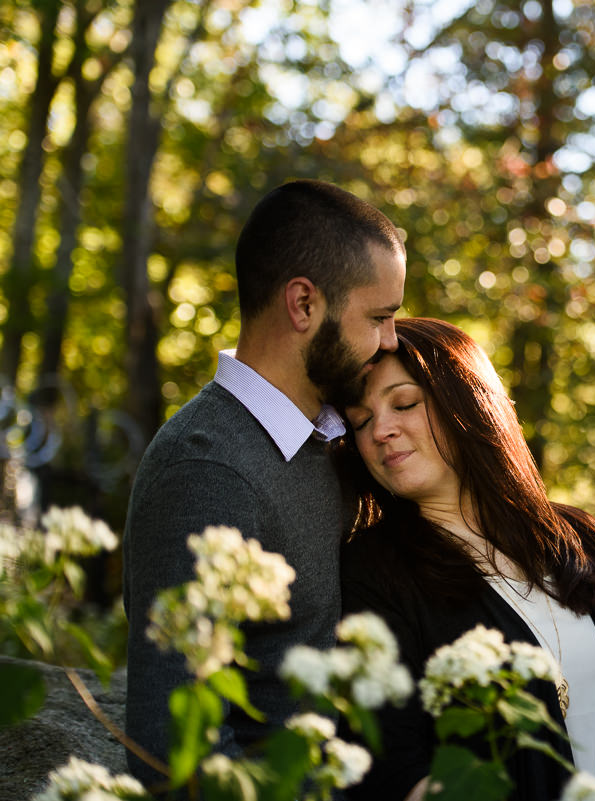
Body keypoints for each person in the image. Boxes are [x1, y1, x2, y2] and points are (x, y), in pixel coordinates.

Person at [122, 179, 406, 787]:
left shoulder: (336, 439)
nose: (391, 340)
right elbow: (173, 751)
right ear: (303, 305)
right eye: (379, 317)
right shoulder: (207, 470)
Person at [336, 318, 595, 801]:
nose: (382, 431)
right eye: (361, 421)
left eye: (405, 403)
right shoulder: (373, 572)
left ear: (467, 402)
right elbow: (393, 764)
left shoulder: (580, 538)